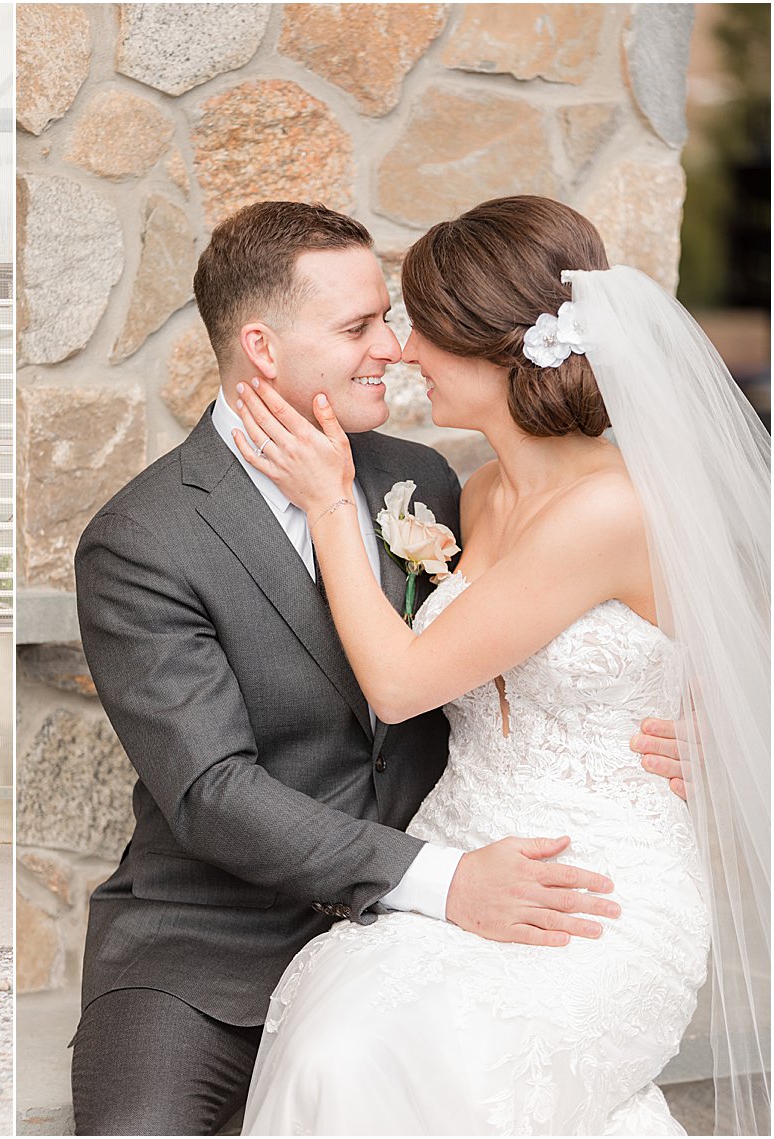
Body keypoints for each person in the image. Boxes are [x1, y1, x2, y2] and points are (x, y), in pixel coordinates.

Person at [69, 201, 688, 1135]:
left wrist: (712, 722)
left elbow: (657, 624)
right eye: (360, 325)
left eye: (393, 321)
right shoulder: (142, 539)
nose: (394, 349)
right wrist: (443, 881)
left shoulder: (427, 481)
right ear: (264, 350)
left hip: (461, 908)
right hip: (214, 942)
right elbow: (211, 791)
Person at [232, 196, 769, 1134]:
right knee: (334, 1047)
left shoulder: (609, 510)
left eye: (418, 327)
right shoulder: (474, 493)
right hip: (463, 851)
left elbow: (400, 683)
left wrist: (325, 507)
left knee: (438, 1067)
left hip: (595, 892)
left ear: (491, 345)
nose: (399, 351)